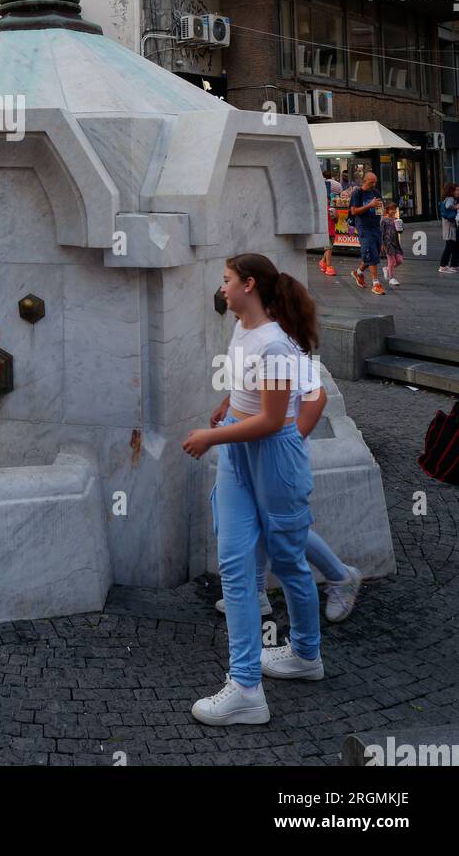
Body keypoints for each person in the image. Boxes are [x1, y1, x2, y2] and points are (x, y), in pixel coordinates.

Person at [184, 253, 323, 726]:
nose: (220, 288)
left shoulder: (277, 345)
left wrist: (211, 437)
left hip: (271, 455)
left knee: (287, 561)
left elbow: (269, 420)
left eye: (225, 281)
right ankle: (245, 685)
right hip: (238, 454)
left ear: (248, 284)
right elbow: (251, 392)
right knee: (236, 565)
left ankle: (306, 655)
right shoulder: (243, 327)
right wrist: (228, 404)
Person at [213, 385, 364, 623]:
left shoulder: (285, 350)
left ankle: (341, 576)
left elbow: (317, 394)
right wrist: (227, 404)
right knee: (257, 520)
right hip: (251, 449)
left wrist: (289, 442)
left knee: (281, 527)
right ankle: (256, 592)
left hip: (276, 456)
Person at [349, 172, 385, 295]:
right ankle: (376, 283)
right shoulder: (357, 193)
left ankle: (358, 272)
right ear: (365, 181)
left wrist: (381, 210)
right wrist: (370, 205)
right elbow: (353, 211)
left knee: (374, 252)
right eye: (371, 182)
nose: (374, 185)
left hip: (375, 226)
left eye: (375, 182)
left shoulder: (375, 192)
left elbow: (380, 207)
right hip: (364, 227)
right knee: (371, 251)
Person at [380, 201, 404, 288]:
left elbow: (400, 231)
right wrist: (381, 244)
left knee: (400, 260)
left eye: (395, 209)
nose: (394, 211)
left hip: (395, 242)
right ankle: (391, 278)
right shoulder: (383, 220)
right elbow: (381, 232)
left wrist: (400, 227)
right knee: (392, 261)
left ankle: (387, 269)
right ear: (387, 210)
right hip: (387, 242)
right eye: (392, 209)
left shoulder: (396, 219)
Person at [439, 182, 458, 274]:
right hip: (449, 228)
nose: (458, 192)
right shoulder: (450, 199)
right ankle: (443, 266)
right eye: (457, 190)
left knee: (452, 247)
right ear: (452, 191)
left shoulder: (447, 198)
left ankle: (451, 265)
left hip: (449, 227)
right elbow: (448, 206)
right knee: (449, 247)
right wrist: (456, 207)